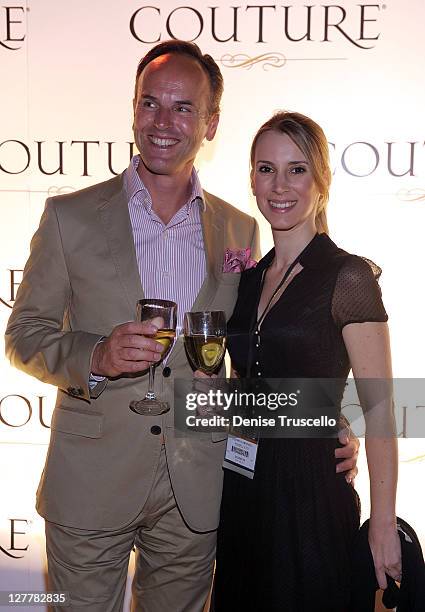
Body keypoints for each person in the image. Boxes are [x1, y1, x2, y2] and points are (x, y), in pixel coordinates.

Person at [5, 42, 358, 612]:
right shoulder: (68, 217)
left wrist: (321, 422)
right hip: (91, 484)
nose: (162, 122)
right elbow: (24, 335)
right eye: (150, 104)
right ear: (134, 109)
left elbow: (253, 346)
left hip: (198, 487)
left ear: (210, 121)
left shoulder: (241, 230)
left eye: (183, 108)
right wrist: (95, 356)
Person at [213, 111, 401, 611]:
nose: (279, 185)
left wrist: (383, 525)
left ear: (322, 180)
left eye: (296, 169)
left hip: (309, 497)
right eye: (265, 168)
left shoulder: (348, 277)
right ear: (251, 177)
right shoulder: (248, 281)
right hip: (242, 489)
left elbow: (380, 408)